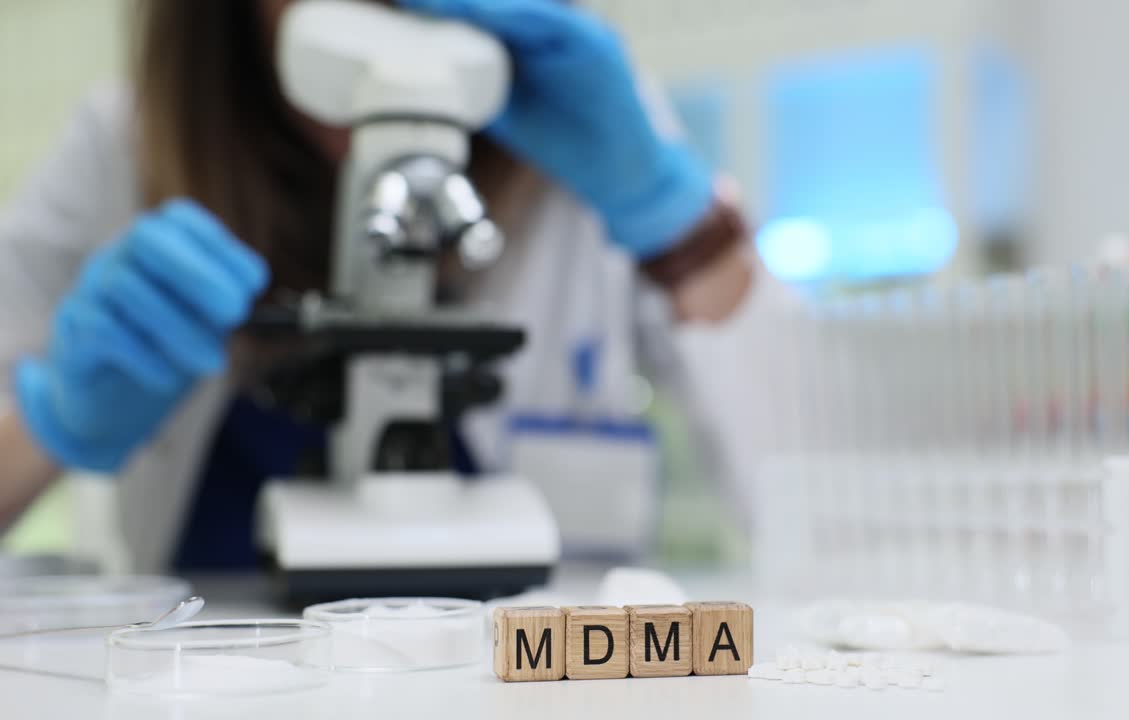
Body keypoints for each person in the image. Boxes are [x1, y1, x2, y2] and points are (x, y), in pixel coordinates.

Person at [0, 0, 755, 571]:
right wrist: (52, 421)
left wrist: (674, 221)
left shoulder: (599, 124)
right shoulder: (122, 147)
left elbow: (807, 474)